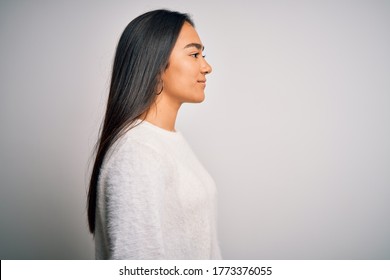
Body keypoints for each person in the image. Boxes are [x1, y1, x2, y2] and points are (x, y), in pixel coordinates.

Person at [87, 9, 221, 259]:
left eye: (203, 54)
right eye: (194, 54)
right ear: (156, 65)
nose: (207, 67)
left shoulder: (168, 141)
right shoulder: (136, 153)